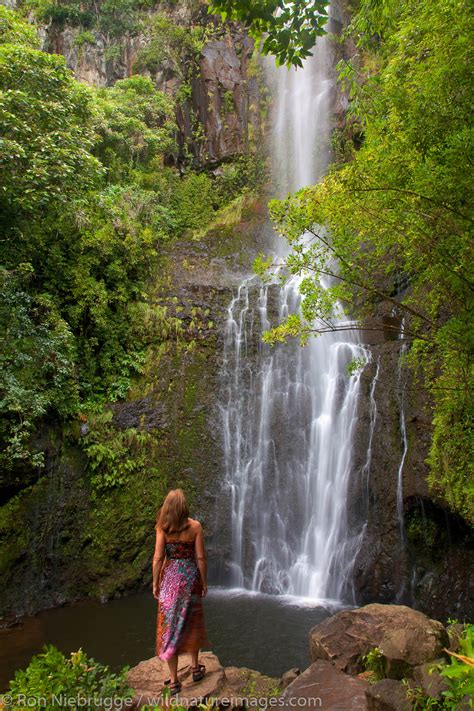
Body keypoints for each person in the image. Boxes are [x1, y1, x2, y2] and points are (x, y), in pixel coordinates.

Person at [153, 488, 209, 695]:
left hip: (169, 580)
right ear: (184, 507)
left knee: (169, 628)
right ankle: (195, 667)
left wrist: (156, 583)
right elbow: (201, 558)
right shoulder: (195, 527)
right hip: (190, 578)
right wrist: (204, 582)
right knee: (192, 622)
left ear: (167, 509)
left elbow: (158, 558)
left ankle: (175, 681)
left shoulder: (163, 528)